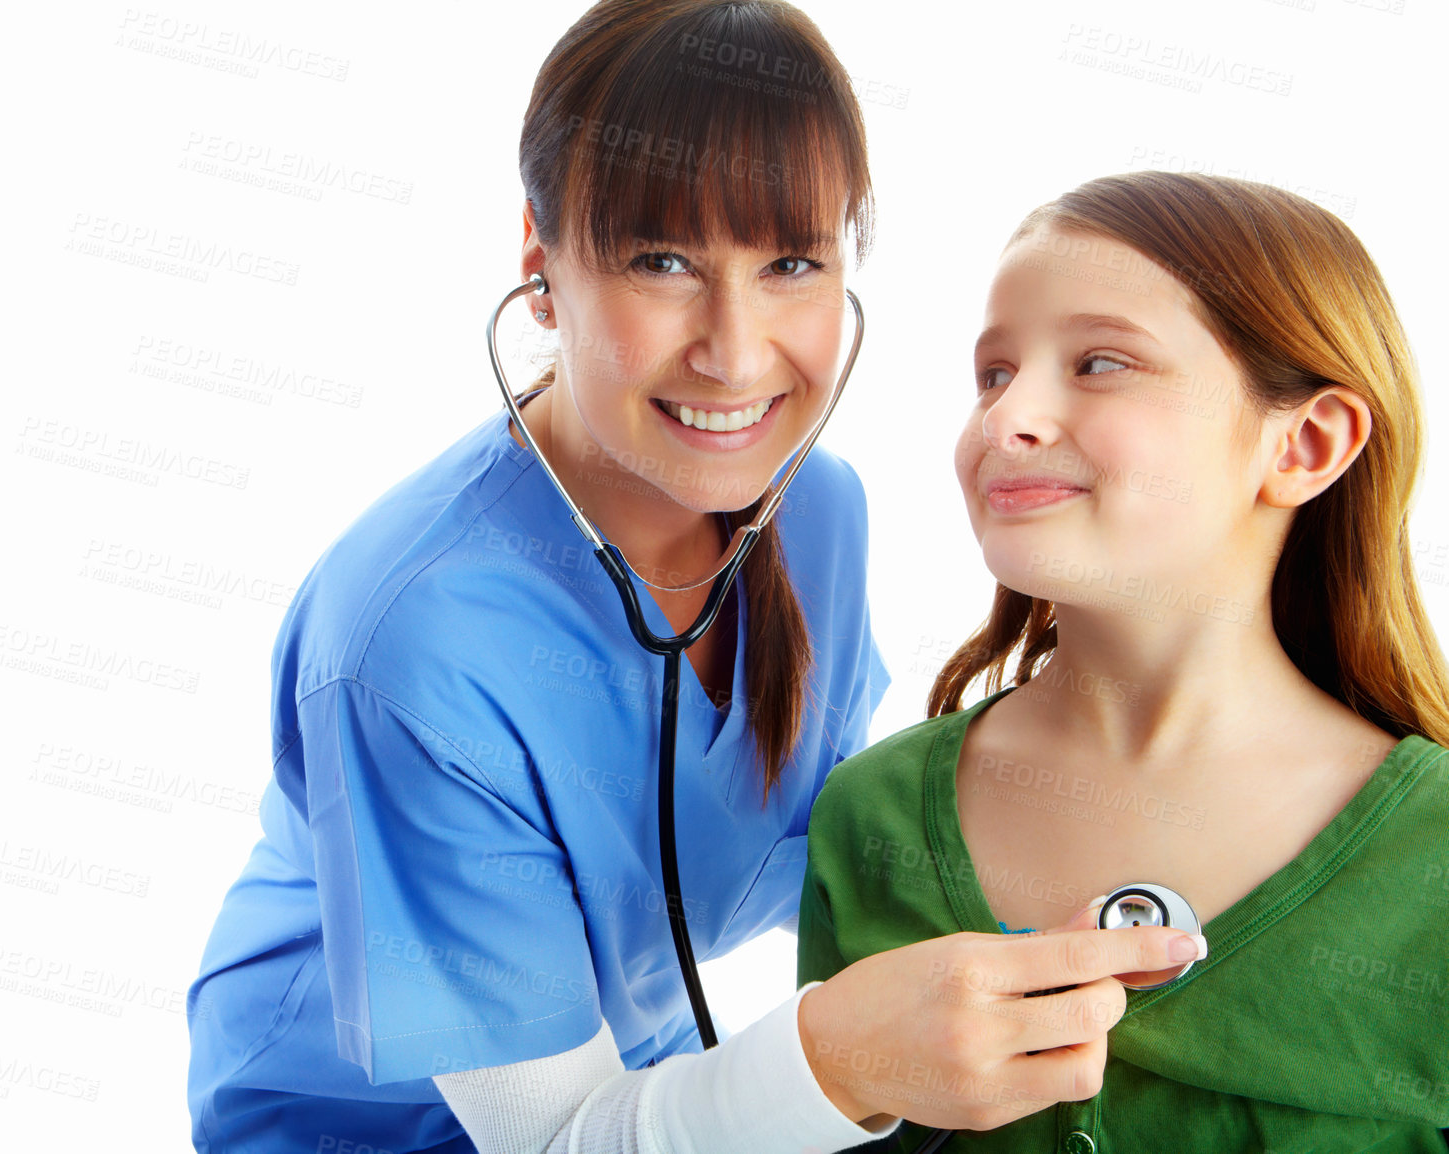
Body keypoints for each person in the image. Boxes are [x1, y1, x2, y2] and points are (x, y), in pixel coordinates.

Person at [186, 6, 1202, 1151]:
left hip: (638, 1080)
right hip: (379, 1126)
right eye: (662, 261)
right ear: (541, 259)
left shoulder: (817, 512)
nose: (735, 349)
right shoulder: (414, 642)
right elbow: (559, 1137)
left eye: (790, 263)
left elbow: (831, 853)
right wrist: (845, 1058)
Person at [799, 171, 1449, 1152]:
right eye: (993, 373)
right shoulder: (869, 815)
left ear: (1305, 443)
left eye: (1099, 362)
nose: (1007, 417)